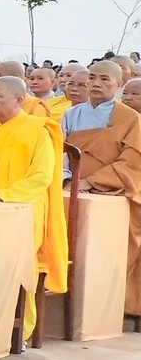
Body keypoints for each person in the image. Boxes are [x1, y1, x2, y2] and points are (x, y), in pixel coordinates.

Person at [0, 75, 70, 337]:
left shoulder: (38, 131)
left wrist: (3, 195)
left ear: (19, 101)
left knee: (16, 264)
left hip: (24, 209)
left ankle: (18, 329)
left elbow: (41, 177)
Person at [63, 62, 141, 314]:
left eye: (105, 79)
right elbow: (60, 151)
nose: (96, 84)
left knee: (111, 251)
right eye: (92, 78)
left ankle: (108, 309)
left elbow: (132, 161)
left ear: (119, 84)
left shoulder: (130, 118)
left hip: (111, 192)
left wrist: (92, 181)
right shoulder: (71, 114)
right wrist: (67, 179)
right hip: (71, 189)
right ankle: (66, 306)